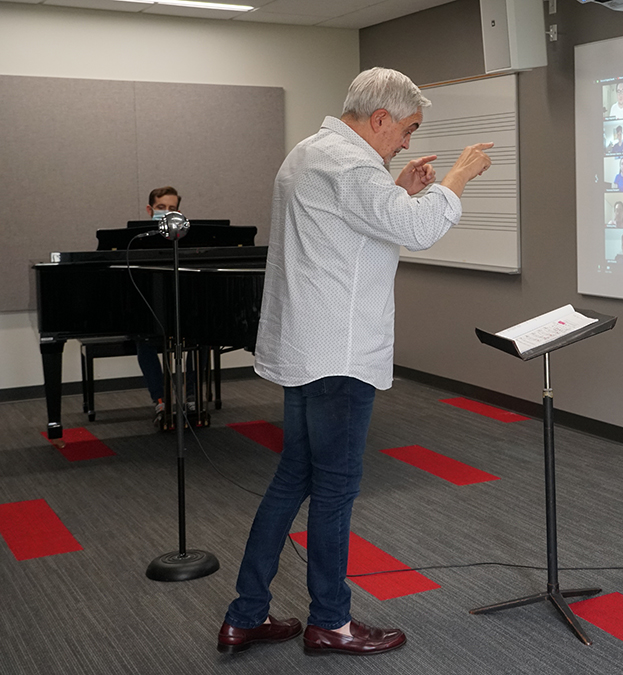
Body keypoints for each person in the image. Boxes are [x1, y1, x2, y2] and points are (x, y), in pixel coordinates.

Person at [218, 67, 492, 657]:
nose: (408, 143)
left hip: (307, 348)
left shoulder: (310, 153)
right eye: (407, 130)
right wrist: (457, 178)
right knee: (336, 489)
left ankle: (246, 613)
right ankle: (331, 622)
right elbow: (417, 230)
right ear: (380, 118)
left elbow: (358, 224)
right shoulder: (351, 165)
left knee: (293, 478)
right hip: (338, 357)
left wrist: (399, 188)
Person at [136, 186, 197, 423]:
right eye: (161, 207)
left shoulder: (189, 240)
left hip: (185, 309)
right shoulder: (137, 241)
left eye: (172, 208)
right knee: (143, 340)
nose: (166, 212)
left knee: (203, 336)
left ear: (179, 213)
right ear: (150, 209)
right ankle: (160, 400)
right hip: (151, 310)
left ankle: (192, 396)